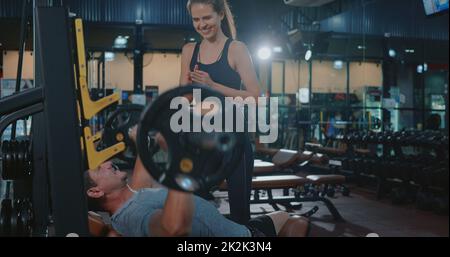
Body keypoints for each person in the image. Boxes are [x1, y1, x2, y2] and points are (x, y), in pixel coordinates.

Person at [84, 128, 298, 237]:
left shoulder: (129, 201)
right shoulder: (134, 217)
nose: (107, 163)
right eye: (98, 170)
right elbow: (172, 227)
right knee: (298, 223)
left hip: (233, 228)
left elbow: (141, 179)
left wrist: (142, 143)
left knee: (283, 216)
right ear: (95, 192)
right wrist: (180, 157)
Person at [179, 0, 261, 225]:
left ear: (221, 15)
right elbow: (184, 99)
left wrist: (213, 86)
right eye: (196, 19)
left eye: (207, 18)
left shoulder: (237, 49)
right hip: (202, 143)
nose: (201, 24)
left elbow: (254, 96)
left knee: (240, 214)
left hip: (235, 142)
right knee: (193, 210)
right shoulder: (189, 51)